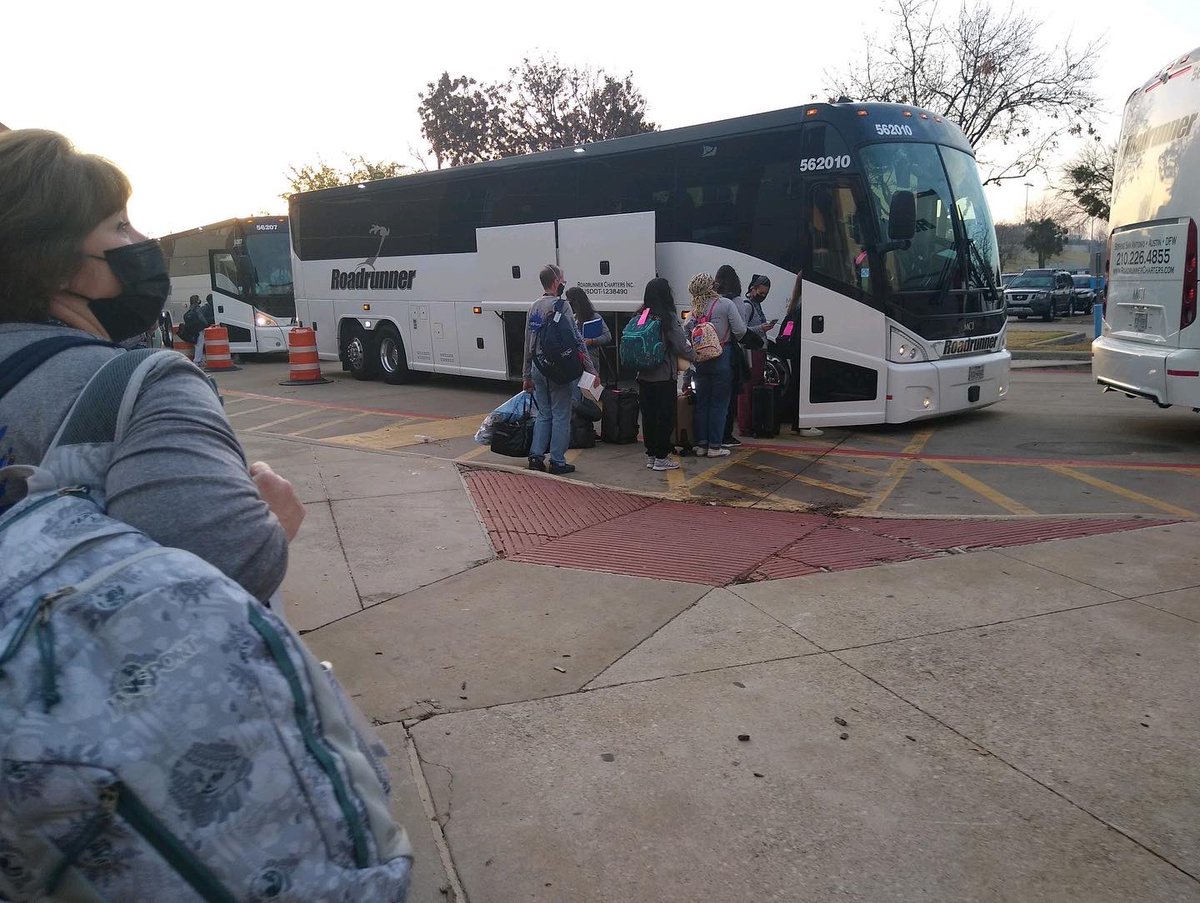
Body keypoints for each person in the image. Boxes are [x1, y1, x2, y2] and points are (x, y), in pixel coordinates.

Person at [0, 128, 301, 603]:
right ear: (54, 264)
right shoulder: (144, 385)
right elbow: (229, 566)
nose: (145, 241)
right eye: (121, 226)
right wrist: (275, 522)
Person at [522, 263, 599, 475]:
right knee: (561, 415)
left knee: (543, 413)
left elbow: (528, 343)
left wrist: (526, 375)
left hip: (538, 367)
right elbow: (576, 340)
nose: (564, 282)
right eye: (563, 279)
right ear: (556, 282)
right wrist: (591, 369)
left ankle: (536, 457)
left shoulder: (533, 307)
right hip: (558, 370)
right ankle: (557, 461)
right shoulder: (562, 306)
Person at [634, 278, 694, 471]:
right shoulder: (667, 317)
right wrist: (695, 355)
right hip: (663, 375)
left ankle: (652, 455)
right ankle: (661, 457)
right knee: (665, 416)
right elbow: (680, 344)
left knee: (649, 416)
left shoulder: (642, 315)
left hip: (644, 374)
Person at [687, 272, 745, 457]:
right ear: (712, 286)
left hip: (699, 360)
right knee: (719, 404)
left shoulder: (695, 309)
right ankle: (714, 446)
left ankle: (701, 445)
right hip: (722, 356)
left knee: (702, 402)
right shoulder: (726, 304)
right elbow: (740, 330)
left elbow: (686, 331)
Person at [779, 270, 824, 437]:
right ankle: (803, 424)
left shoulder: (796, 302)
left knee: (797, 384)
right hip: (804, 349)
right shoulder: (808, 303)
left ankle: (797, 424)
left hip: (796, 350)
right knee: (805, 385)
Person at [714, 264, 746, 448]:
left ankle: (708, 438)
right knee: (728, 396)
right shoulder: (735, 302)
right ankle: (725, 435)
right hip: (729, 351)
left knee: (710, 398)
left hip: (708, 351)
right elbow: (740, 330)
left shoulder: (712, 301)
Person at [566, 286, 611, 376]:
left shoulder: (595, 317)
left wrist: (592, 341)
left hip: (591, 358)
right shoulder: (573, 318)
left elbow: (607, 336)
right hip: (575, 360)